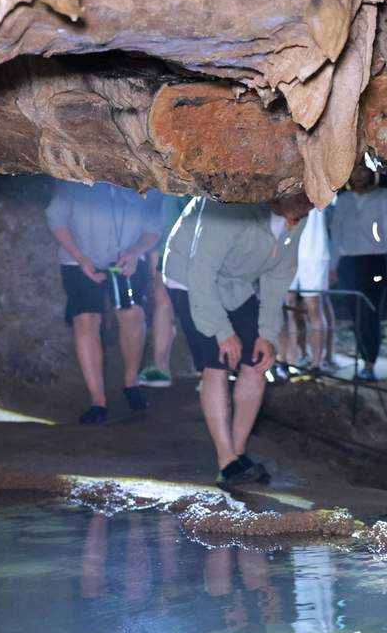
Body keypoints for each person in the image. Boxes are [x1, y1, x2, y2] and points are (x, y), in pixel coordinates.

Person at [162, 192, 312, 486]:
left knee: (258, 362)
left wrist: (267, 335)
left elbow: (278, 277)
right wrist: (221, 331)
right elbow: (201, 271)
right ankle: (226, 460)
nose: (297, 221)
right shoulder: (230, 205)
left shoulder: (300, 213)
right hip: (190, 278)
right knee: (217, 363)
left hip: (235, 283)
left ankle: (239, 453)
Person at [46, 179, 164, 424]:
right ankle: (97, 400)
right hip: (78, 257)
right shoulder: (74, 181)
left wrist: (135, 252)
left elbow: (154, 228)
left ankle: (131, 382)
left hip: (127, 258)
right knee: (85, 318)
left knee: (132, 314)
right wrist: (79, 258)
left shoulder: (141, 181)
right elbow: (56, 219)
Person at [330, 166, 387, 381]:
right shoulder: (343, 200)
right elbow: (336, 234)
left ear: (372, 173)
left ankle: (370, 364)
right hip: (348, 263)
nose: (359, 176)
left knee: (371, 311)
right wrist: (333, 266)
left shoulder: (382, 197)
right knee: (355, 312)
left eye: (363, 171)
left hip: (374, 261)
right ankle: (362, 359)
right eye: (354, 172)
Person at [138, 194, 190, 388]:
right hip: (166, 249)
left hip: (181, 247)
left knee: (165, 302)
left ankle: (212, 368)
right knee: (162, 302)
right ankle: (160, 366)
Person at [279, 205, 332, 373]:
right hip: (285, 249)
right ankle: (290, 361)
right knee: (288, 308)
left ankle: (316, 364)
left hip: (313, 251)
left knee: (313, 306)